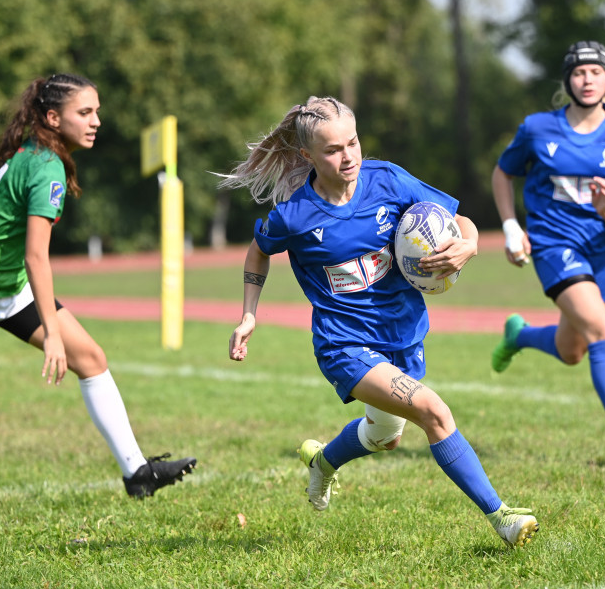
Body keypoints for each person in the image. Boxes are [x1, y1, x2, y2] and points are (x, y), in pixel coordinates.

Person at [221, 96, 539, 548]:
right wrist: (249, 314)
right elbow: (259, 249)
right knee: (434, 411)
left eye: (353, 143)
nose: (348, 156)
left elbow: (458, 220)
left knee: (386, 435)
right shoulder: (296, 215)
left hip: (403, 336)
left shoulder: (387, 180)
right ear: (308, 156)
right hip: (344, 346)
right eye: (332, 150)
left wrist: (468, 243)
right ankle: (501, 516)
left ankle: (323, 463)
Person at [0, 74, 195, 497]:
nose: (96, 120)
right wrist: (52, 338)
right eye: (85, 112)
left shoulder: (24, 154)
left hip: (7, 287)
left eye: (96, 111)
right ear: (52, 117)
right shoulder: (46, 168)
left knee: (92, 358)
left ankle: (138, 473)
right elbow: (36, 257)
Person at [490, 41, 605, 466]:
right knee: (602, 331)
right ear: (568, 80)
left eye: (596, 72)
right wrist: (512, 228)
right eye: (580, 73)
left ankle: (520, 335)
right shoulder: (537, 128)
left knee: (572, 350)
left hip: (602, 251)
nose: (587, 80)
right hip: (553, 245)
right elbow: (503, 173)